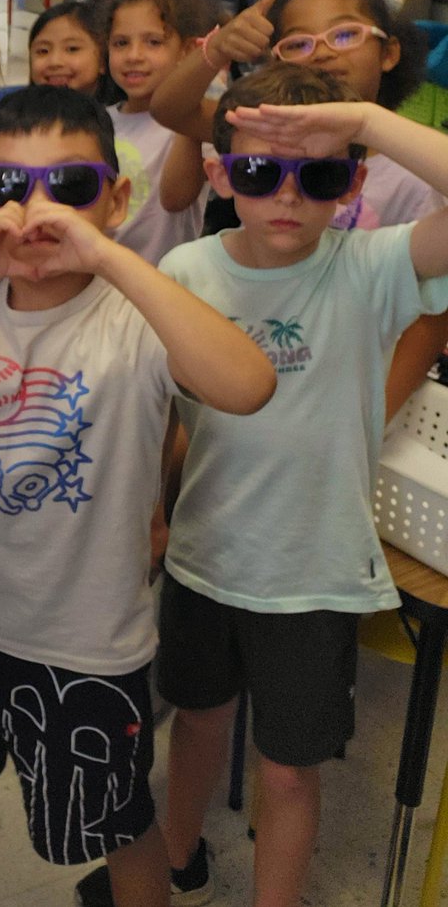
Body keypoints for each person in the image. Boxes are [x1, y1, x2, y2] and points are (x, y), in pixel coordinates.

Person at [0, 85, 275, 907]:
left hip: (83, 637)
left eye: (71, 189)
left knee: (116, 822)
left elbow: (246, 384)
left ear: (116, 199)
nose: (36, 214)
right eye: (8, 189)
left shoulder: (135, 316)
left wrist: (110, 255)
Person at [156, 63, 448, 907]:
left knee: (288, 774)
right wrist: (152, 519)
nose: (287, 195)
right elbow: (166, 419)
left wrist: (361, 116)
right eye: (257, 171)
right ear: (219, 175)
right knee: (197, 729)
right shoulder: (185, 273)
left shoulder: (372, 267)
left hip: (314, 576)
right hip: (204, 559)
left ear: (353, 182)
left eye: (316, 174)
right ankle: (175, 861)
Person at [149, 0, 442, 417]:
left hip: (353, 384)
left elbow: (429, 321)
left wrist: (364, 120)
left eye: (344, 34)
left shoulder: (409, 184)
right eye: (300, 42)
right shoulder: (265, 130)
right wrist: (219, 48)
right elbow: (169, 107)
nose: (322, 53)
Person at [99, 0, 216, 265]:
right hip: (99, 286)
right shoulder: (98, 122)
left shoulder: (191, 126)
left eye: (153, 42)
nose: (134, 55)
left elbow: (175, 198)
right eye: (121, 43)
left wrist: (195, 79)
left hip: (160, 286)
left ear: (186, 51)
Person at [26, 0, 120, 102]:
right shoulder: (16, 114)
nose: (55, 62)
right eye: (43, 51)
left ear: (102, 60)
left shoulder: (117, 116)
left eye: (72, 49)